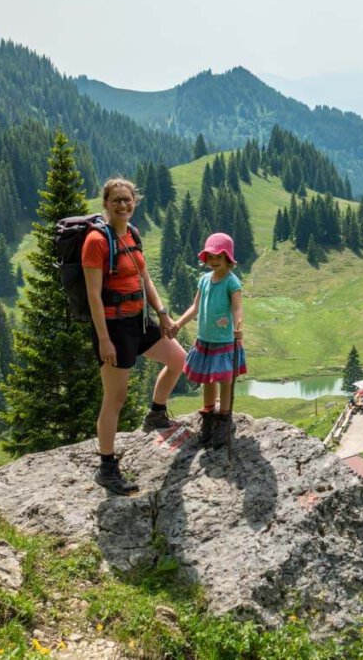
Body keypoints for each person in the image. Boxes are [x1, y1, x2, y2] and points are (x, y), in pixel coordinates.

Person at [83, 178, 187, 494]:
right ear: (106, 203)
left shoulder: (132, 234)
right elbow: (93, 295)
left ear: (134, 202)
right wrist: (104, 339)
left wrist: (163, 313)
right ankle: (107, 468)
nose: (123, 205)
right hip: (114, 328)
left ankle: (156, 414)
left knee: (178, 358)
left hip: (139, 321)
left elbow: (145, 278)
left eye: (127, 200)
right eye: (116, 200)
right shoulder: (95, 241)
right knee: (115, 398)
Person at [171, 232, 246, 448]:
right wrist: (178, 324)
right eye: (210, 257)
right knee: (207, 379)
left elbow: (237, 307)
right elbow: (195, 307)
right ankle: (208, 413)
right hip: (205, 339)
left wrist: (238, 326)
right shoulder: (204, 280)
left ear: (228, 259)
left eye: (218, 258)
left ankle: (224, 417)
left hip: (224, 340)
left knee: (224, 378)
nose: (214, 262)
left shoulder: (232, 282)